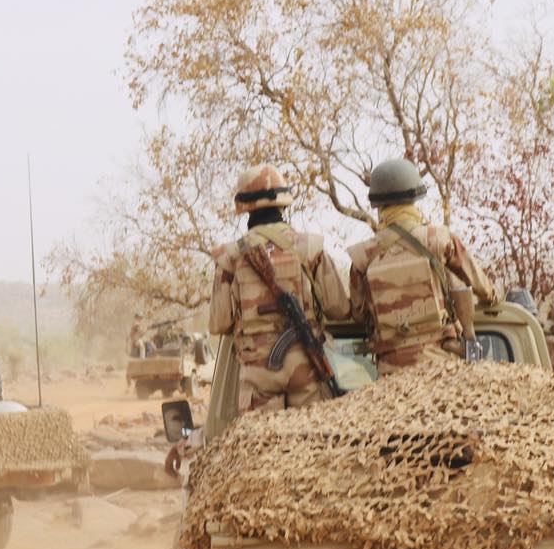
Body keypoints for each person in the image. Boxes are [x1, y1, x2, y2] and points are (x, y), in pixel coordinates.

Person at [209, 164, 350, 412]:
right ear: (284, 202)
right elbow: (339, 309)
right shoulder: (310, 248)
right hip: (306, 366)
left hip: (258, 372)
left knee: (262, 447)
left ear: (243, 207)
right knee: (309, 445)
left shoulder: (230, 257)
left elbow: (219, 324)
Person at [347, 158, 500, 373]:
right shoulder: (439, 239)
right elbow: (478, 283)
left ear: (378, 206)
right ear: (414, 198)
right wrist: (494, 297)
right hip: (439, 365)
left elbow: (358, 314)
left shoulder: (362, 255)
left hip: (391, 370)